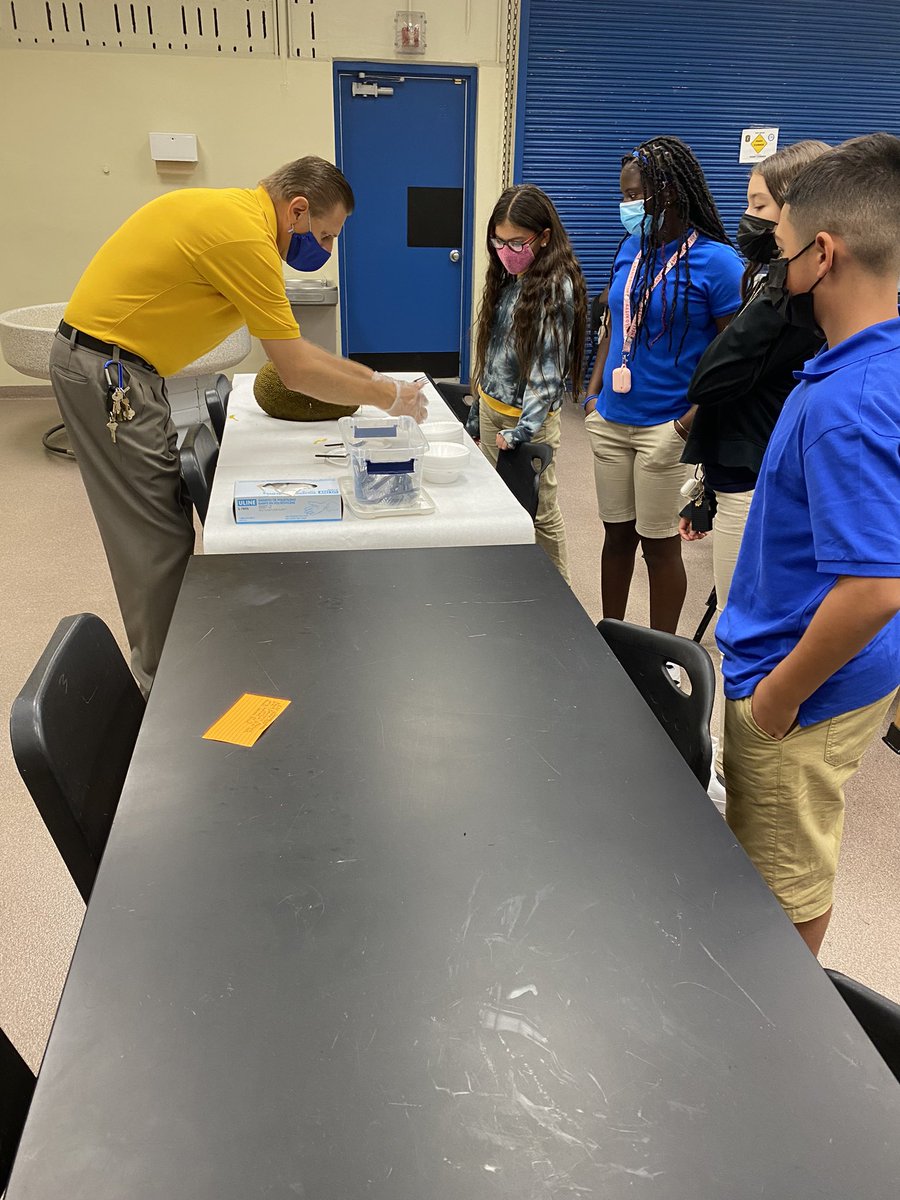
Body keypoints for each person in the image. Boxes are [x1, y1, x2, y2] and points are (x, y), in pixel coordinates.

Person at [50, 157, 427, 694]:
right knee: (154, 539)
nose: (325, 248)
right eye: (324, 234)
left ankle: (175, 669)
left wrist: (375, 382)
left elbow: (296, 352)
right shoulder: (246, 241)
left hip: (128, 368)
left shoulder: (239, 217)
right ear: (296, 209)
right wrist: (387, 396)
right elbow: (295, 370)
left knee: (165, 520)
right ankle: (167, 692)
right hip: (106, 372)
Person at [717, 132, 900, 955]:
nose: (773, 269)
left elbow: (875, 585)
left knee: (783, 885)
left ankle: (773, 1034)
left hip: (801, 688)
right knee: (779, 860)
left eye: (782, 250)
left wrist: (778, 701)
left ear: (823, 255)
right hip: (823, 666)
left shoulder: (847, 404)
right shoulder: (864, 361)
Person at [678, 140, 831, 803]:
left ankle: (745, 774)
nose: (748, 220)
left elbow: (714, 376)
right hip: (732, 470)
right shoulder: (769, 288)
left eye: (760, 206)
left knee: (747, 631)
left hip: (756, 480)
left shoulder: (791, 303)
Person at [584, 137, 743, 636]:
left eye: (634, 196)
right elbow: (614, 324)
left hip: (664, 428)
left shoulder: (717, 263)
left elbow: (735, 356)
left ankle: (660, 654)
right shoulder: (631, 248)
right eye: (623, 195)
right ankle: (611, 639)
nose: (626, 206)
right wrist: (592, 397)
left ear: (669, 194)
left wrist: (685, 424)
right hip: (610, 421)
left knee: (658, 545)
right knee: (615, 537)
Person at [467, 184, 587, 583]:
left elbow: (547, 371)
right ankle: (503, 583)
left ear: (544, 238)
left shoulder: (556, 287)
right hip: (492, 410)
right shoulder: (507, 275)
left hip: (526, 424)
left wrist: (524, 429)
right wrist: (475, 407)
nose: (505, 250)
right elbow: (494, 347)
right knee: (494, 505)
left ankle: (562, 597)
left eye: (516, 242)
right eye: (498, 241)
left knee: (540, 513)